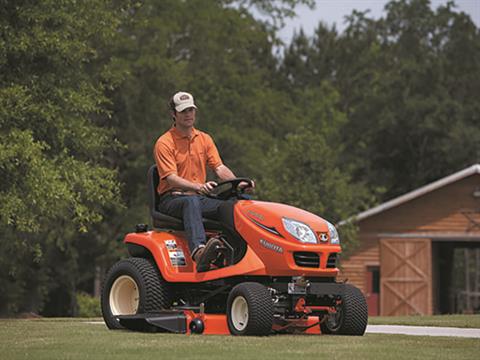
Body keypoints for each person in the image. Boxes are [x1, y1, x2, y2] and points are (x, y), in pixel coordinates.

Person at [153, 91, 252, 271]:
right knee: (191, 202)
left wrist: (237, 182)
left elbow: (219, 168)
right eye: (183, 111)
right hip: (172, 199)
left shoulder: (204, 139)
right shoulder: (165, 142)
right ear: (173, 114)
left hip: (199, 199)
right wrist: (198, 186)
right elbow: (171, 179)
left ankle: (244, 252)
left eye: (191, 110)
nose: (188, 114)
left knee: (237, 205)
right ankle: (199, 252)